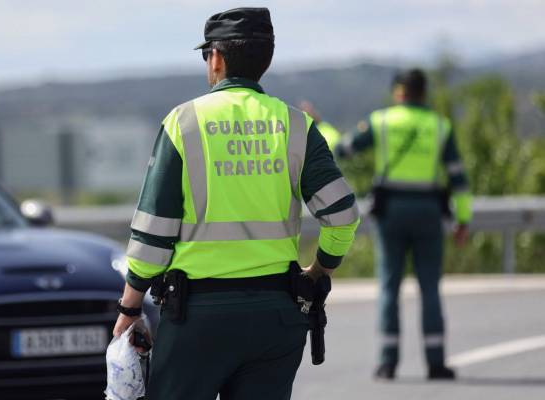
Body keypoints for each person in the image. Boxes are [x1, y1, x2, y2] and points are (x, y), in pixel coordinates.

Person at [111, 7, 360, 400]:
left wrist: (130, 307)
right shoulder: (297, 126)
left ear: (217, 57)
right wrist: (317, 271)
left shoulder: (183, 123)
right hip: (275, 318)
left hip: (196, 318)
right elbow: (343, 216)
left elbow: (152, 234)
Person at [335, 69, 472, 380]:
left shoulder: (382, 121)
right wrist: (462, 219)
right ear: (424, 93)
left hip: (391, 212)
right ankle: (436, 362)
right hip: (428, 211)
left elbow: (344, 148)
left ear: (399, 92)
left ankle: (387, 362)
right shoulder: (440, 126)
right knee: (430, 287)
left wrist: (320, 127)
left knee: (388, 285)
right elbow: (458, 179)